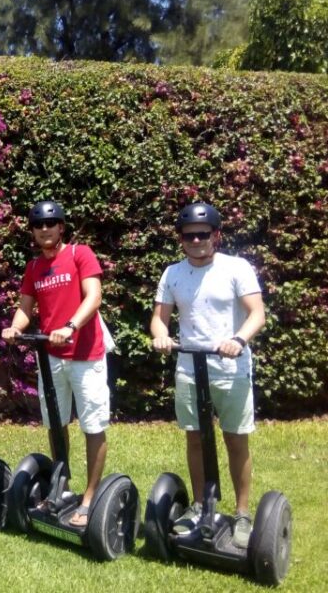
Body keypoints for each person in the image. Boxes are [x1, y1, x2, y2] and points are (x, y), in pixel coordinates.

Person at [150, 202, 265, 548]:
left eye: (203, 234)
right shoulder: (172, 273)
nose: (197, 241)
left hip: (230, 368)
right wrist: (160, 334)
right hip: (189, 367)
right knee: (196, 439)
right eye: (189, 236)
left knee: (235, 440)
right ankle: (200, 507)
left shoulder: (236, 267)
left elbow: (257, 313)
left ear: (216, 235)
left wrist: (238, 339)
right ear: (181, 239)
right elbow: (159, 317)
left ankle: (242, 513)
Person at [2, 201, 110, 527]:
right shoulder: (35, 267)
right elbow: (25, 307)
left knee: (92, 424)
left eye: (51, 223)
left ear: (61, 227)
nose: (45, 229)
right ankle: (62, 486)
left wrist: (71, 326)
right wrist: (15, 327)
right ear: (33, 232)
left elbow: (94, 296)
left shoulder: (80, 253)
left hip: (86, 354)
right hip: (52, 356)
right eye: (38, 225)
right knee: (55, 421)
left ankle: (90, 498)